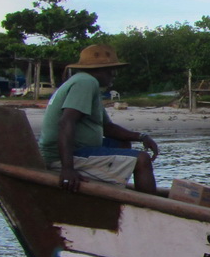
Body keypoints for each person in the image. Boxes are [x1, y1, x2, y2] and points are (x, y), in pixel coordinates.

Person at [40, 44, 160, 194]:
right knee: (142, 159)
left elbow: (107, 128)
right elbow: (66, 121)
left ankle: (112, 185)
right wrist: (67, 169)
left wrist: (142, 137)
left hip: (78, 148)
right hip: (63, 155)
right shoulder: (86, 82)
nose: (114, 74)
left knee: (122, 143)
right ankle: (149, 208)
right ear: (98, 70)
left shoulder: (86, 83)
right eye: (111, 70)